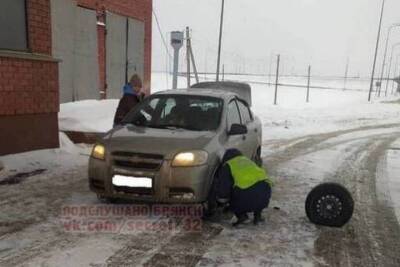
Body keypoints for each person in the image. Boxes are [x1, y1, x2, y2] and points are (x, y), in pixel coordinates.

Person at [216, 148, 273, 226]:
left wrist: (222, 202)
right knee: (258, 192)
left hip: (245, 196)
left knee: (235, 194)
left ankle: (242, 217)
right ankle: (258, 217)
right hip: (265, 193)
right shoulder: (247, 160)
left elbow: (224, 187)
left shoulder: (228, 165)